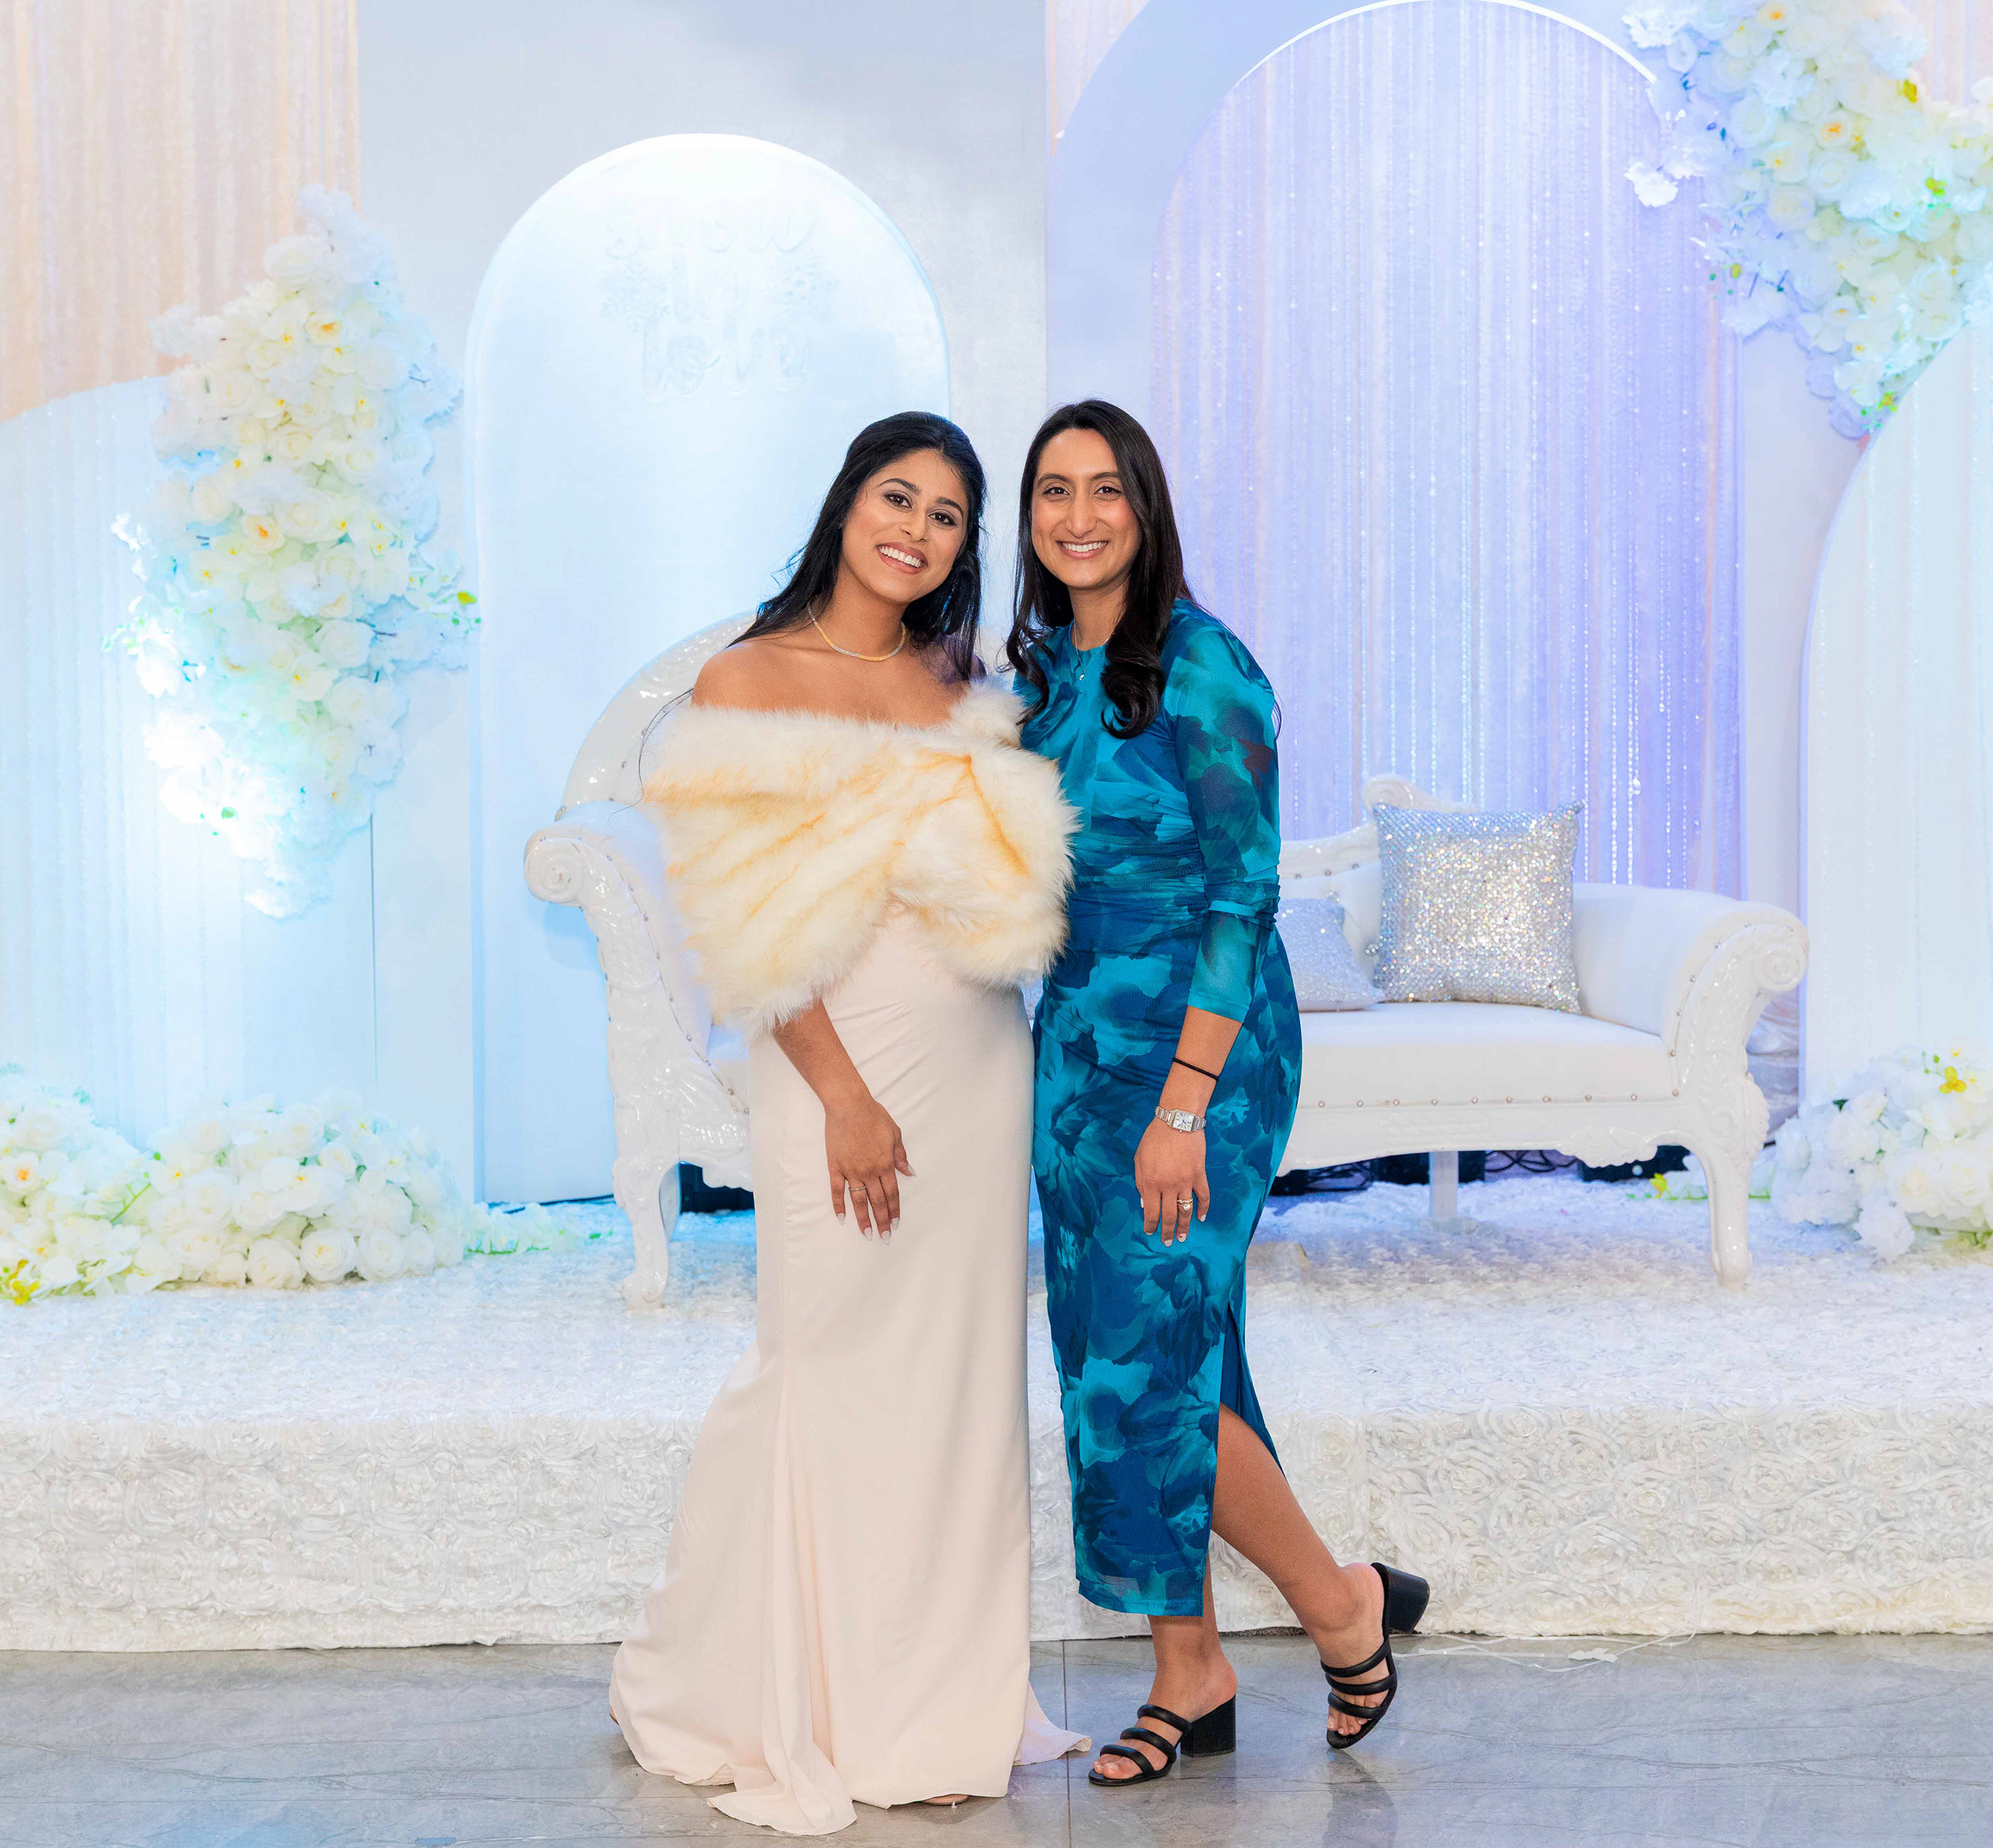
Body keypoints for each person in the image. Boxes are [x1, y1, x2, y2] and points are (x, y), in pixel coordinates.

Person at [608, 411, 1087, 1834]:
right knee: (823, 1361)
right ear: (846, 504)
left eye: (947, 515)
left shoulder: (962, 677)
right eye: (897, 498)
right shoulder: (746, 678)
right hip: (839, 1070)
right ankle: (780, 1691)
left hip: (977, 1064)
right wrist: (844, 1096)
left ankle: (935, 1703)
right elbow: (743, 927)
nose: (917, 532)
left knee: (957, 1387)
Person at [1009, 399, 1428, 1787]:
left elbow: (1246, 899)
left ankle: (1342, 1608)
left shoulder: (1204, 666)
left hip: (1204, 1048)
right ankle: (1189, 1670)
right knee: (1124, 1359)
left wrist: (1184, 1105)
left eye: (1106, 490)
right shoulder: (1038, 676)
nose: (1079, 516)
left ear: (1146, 508)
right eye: (1054, 490)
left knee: (1150, 1367)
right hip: (1080, 1049)